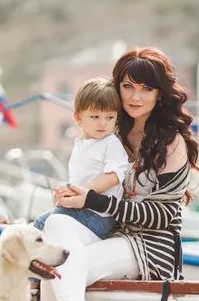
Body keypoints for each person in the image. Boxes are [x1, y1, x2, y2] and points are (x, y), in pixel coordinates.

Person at [28, 47, 199, 301]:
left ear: (160, 93)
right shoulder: (107, 129)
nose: (135, 97)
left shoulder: (172, 143)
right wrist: (73, 197)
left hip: (150, 246)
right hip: (108, 235)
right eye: (127, 86)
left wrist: (93, 199)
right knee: (56, 231)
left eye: (146, 88)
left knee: (59, 268)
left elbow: (162, 216)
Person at [34, 76, 128, 239]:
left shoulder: (110, 144)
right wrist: (66, 192)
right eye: (95, 117)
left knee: (44, 225)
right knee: (40, 222)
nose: (103, 124)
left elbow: (113, 177)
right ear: (78, 118)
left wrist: (81, 192)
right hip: (83, 208)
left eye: (109, 117)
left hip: (101, 216)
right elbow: (81, 178)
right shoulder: (81, 143)